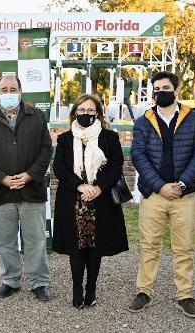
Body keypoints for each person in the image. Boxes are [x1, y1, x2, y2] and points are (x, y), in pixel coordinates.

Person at [128, 71, 195, 318]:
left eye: (166, 87)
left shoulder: (193, 118)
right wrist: (159, 185)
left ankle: (184, 295)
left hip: (184, 195)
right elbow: (138, 155)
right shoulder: (143, 121)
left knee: (184, 247)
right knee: (149, 245)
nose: (161, 92)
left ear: (177, 90)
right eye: (157, 88)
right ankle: (144, 291)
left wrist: (183, 183)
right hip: (154, 194)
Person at [0, 74, 52, 301]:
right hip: (1, 191)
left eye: (12, 89)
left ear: (20, 90)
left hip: (31, 190)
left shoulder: (36, 117)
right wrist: (1, 178)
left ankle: (39, 282)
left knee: (36, 240)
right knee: (5, 241)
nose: (8, 93)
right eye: (4, 89)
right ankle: (10, 280)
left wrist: (29, 175)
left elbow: (46, 149)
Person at [52, 94, 129, 308]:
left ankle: (91, 289)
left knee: (95, 249)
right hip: (72, 200)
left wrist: (98, 188)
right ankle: (77, 289)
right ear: (75, 112)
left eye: (91, 110)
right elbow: (59, 168)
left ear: (98, 113)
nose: (86, 114)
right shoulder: (65, 139)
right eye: (82, 110)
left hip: (100, 201)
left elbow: (116, 166)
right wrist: (80, 185)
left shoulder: (109, 138)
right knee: (76, 249)